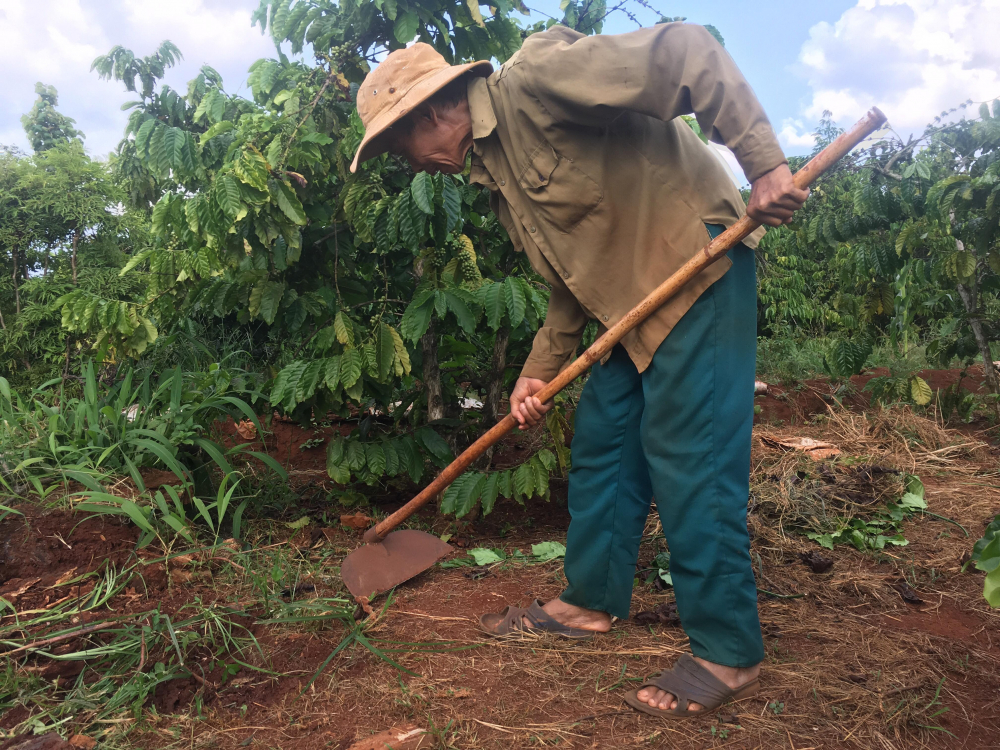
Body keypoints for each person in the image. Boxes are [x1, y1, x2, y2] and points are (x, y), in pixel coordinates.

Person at [350, 22, 809, 718]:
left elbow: (688, 52)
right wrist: (539, 368)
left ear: (434, 112)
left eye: (397, 143)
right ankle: (590, 603)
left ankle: (728, 652)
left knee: (690, 458)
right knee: (604, 442)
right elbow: (574, 275)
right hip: (631, 306)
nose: (406, 162)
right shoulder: (498, 173)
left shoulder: (537, 84)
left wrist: (764, 163)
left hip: (697, 269)